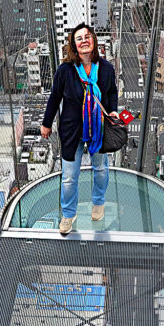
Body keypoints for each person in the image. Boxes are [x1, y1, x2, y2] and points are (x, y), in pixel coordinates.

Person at [41, 23, 119, 234]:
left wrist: (113, 111)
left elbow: (111, 93)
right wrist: (46, 123)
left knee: (101, 169)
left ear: (94, 41)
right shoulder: (65, 71)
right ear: (74, 46)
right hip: (72, 130)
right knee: (68, 177)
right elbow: (55, 98)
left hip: (98, 128)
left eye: (87, 37)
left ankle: (99, 201)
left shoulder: (106, 69)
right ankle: (68, 214)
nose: (84, 41)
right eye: (79, 38)